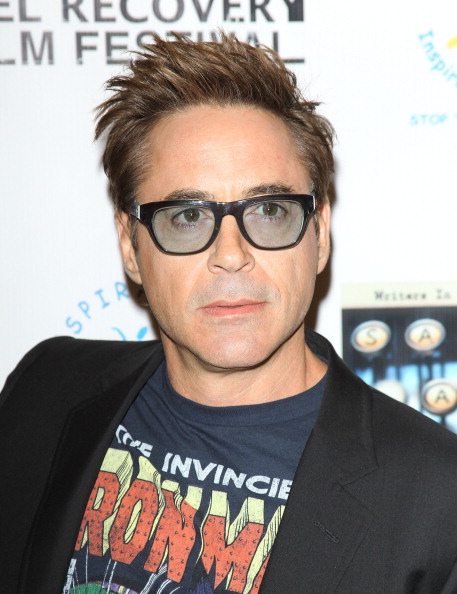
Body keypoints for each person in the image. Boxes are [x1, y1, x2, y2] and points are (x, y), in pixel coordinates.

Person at [2, 33, 457, 594]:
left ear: (319, 235)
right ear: (130, 247)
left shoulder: (437, 497)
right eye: (187, 217)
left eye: (269, 211)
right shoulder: (45, 389)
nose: (232, 254)